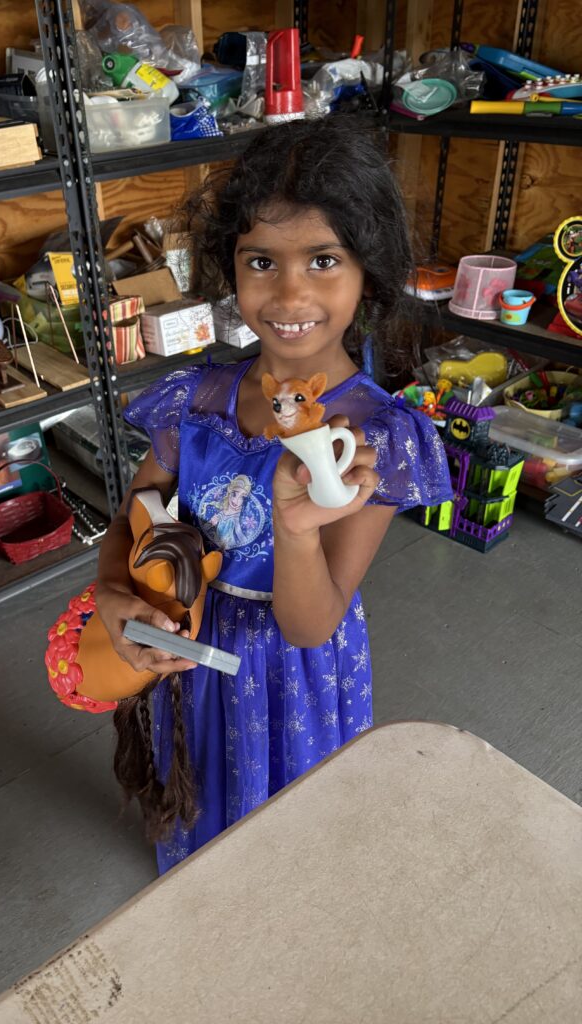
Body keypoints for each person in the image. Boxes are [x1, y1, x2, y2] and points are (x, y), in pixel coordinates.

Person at [94, 118, 453, 873]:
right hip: (187, 643)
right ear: (232, 265)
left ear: (369, 271)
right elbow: (135, 515)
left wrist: (295, 529)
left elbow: (309, 624)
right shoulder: (196, 397)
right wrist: (110, 591)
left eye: (323, 260)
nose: (290, 292)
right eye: (263, 260)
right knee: (200, 796)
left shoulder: (375, 439)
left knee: (286, 839)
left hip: (289, 670)